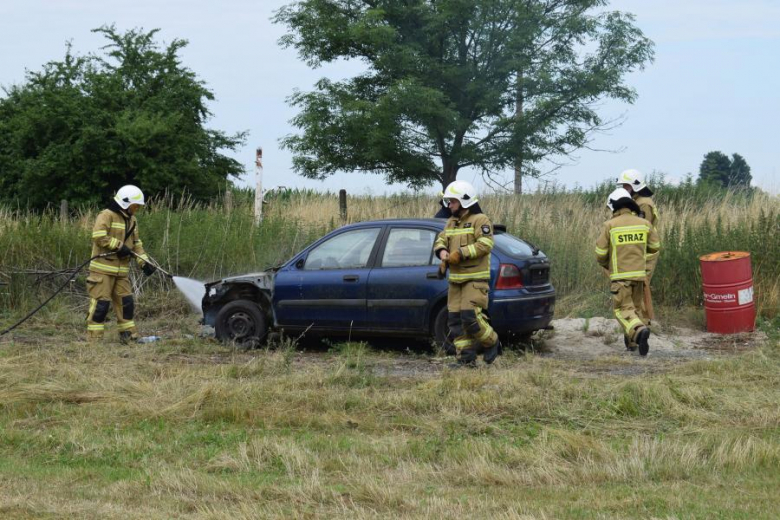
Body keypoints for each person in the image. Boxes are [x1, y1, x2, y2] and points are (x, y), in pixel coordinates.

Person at [433, 180, 500, 366]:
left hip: (475, 279)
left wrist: (460, 254)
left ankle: (492, 341)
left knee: (470, 317)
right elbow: (441, 240)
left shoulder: (481, 220)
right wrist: (442, 252)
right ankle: (466, 359)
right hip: (456, 280)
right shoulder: (451, 222)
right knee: (454, 321)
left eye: (452, 201)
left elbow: (485, 245)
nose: (449, 205)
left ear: (464, 201)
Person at [86, 185, 156, 343]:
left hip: (121, 272)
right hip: (102, 271)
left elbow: (136, 243)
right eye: (135, 205)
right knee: (101, 306)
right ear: (126, 202)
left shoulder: (132, 220)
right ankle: (94, 340)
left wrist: (143, 262)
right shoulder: (106, 215)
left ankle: (128, 336)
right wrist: (119, 246)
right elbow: (98, 236)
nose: (137, 209)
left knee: (126, 304)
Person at [595, 188, 661, 356]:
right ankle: (633, 344)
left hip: (620, 277)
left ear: (614, 208)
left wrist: (606, 265)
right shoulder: (644, 224)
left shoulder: (609, 225)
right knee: (636, 309)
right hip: (639, 276)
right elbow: (655, 247)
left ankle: (639, 332)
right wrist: (644, 265)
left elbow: (600, 253)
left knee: (622, 310)